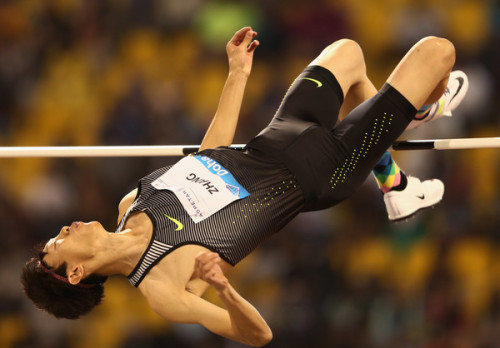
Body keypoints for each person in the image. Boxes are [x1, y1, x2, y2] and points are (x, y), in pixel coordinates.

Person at [21, 27, 468, 346]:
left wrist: (237, 73)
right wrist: (223, 289)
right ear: (75, 273)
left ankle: (397, 177)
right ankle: (414, 121)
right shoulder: (162, 289)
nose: (68, 227)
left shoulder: (131, 201)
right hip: (323, 172)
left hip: (280, 134)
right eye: (59, 243)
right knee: (438, 52)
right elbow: (258, 335)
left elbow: (207, 156)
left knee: (347, 52)